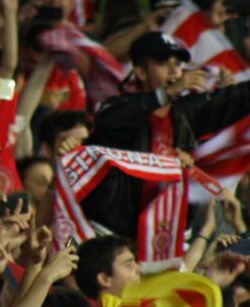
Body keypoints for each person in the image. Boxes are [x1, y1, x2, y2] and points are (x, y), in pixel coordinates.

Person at [84, 32, 250, 237]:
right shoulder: (117, 108)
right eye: (164, 63)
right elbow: (110, 120)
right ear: (141, 72)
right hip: (112, 234)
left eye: (178, 64)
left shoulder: (187, 111)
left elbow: (237, 98)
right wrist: (166, 93)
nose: (175, 71)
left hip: (166, 236)